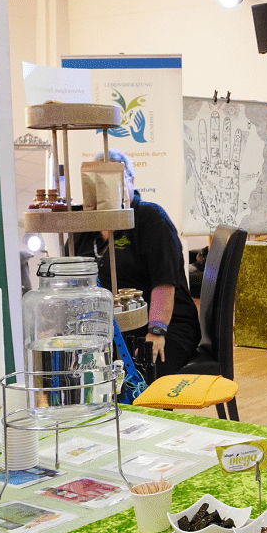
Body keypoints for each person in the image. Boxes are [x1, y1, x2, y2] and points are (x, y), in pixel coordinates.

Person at [74, 150, 200, 378]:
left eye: (112, 181)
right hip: (106, 330)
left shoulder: (151, 218)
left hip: (163, 326)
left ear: (131, 180)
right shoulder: (84, 226)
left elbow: (164, 282)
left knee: (132, 377)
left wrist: (156, 331)